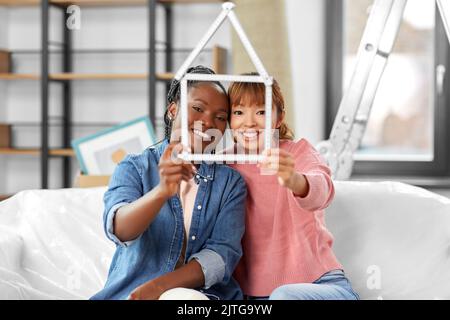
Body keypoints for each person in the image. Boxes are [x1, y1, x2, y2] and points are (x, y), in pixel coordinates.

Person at [91, 66, 246, 300]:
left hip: (200, 297)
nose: (208, 121)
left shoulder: (230, 183)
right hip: (131, 293)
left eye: (220, 117)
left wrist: (157, 288)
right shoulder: (135, 167)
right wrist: (161, 192)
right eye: (197, 108)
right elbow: (120, 230)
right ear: (173, 110)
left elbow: (220, 256)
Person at [226, 74, 359, 300]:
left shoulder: (299, 152)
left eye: (261, 112)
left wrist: (293, 179)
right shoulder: (223, 164)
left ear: (279, 119)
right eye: (238, 112)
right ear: (228, 119)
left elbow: (323, 190)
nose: (249, 122)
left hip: (321, 285)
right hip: (253, 296)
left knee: (283, 296)